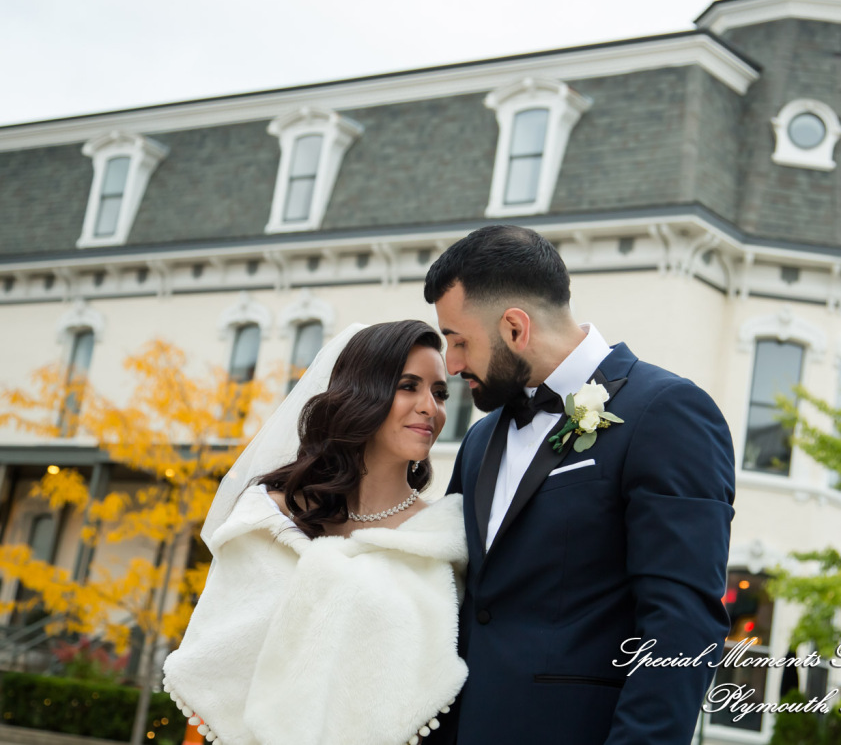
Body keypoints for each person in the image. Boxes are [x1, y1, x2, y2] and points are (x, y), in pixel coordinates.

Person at [423, 225, 736, 745]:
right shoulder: (480, 441)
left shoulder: (665, 413)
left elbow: (681, 626)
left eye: (459, 341)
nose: (452, 364)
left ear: (515, 328)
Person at [162, 320, 467, 745]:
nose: (429, 407)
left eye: (439, 392)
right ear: (363, 392)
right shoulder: (266, 521)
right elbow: (215, 678)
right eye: (408, 386)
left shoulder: (443, 539)